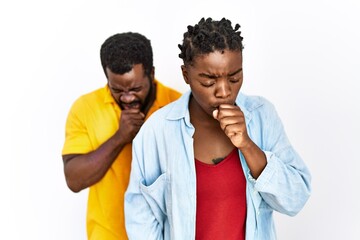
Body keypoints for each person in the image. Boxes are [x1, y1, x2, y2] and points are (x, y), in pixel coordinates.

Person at [124, 17, 311, 240]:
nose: (224, 91)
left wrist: (248, 145)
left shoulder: (262, 116)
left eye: (234, 77)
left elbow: (296, 199)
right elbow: (141, 223)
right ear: (186, 75)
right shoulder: (157, 131)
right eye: (209, 81)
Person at [61, 32, 181, 240]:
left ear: (151, 74)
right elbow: (74, 179)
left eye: (135, 88)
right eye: (116, 89)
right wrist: (119, 137)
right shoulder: (85, 108)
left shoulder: (177, 105)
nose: (127, 97)